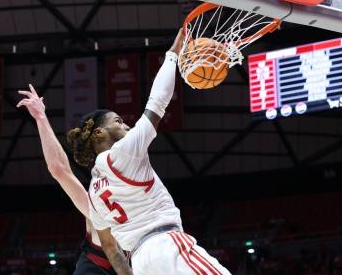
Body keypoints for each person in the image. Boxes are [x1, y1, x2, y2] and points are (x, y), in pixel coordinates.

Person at [17, 29, 231, 275]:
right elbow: (158, 102)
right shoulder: (123, 154)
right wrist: (172, 55)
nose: (125, 124)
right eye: (117, 121)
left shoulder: (96, 194)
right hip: (167, 246)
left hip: (140, 262)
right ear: (99, 134)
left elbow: (110, 247)